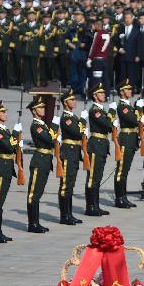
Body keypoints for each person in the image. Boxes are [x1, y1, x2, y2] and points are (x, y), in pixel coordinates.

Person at [0, 100, 21, 243]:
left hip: (7, 168)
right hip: (1, 168)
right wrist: (15, 133)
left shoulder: (4, 130)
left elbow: (12, 147)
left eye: (5, 112)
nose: (5, 114)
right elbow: (8, 147)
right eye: (2, 112)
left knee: (0, 202)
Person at [110, 79, 144, 208]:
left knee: (125, 170)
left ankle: (123, 197)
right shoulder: (122, 107)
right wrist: (139, 107)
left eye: (130, 89)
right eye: (128, 89)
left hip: (132, 138)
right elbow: (135, 120)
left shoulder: (129, 106)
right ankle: (119, 198)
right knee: (121, 171)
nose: (131, 91)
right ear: (122, 92)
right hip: (126, 138)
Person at [25, 95, 55, 233]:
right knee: (34, 194)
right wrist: (54, 125)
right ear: (34, 111)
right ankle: (33, 224)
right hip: (39, 161)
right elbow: (50, 140)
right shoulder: (36, 126)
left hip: (45, 160)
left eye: (43, 107)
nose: (43, 109)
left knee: (38, 193)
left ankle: (36, 222)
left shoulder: (42, 125)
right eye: (40, 108)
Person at [84, 82, 113, 217]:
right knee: (92, 178)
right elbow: (107, 124)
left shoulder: (101, 110)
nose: (104, 95)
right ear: (95, 96)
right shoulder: (95, 111)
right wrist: (112, 113)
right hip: (95, 145)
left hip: (101, 145)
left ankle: (96, 205)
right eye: (101, 93)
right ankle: (90, 207)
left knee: (98, 177)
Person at [57, 88, 85, 226]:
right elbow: (78, 132)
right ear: (65, 102)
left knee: (70, 185)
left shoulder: (73, 117)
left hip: (74, 153)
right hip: (68, 152)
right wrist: (84, 123)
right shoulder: (67, 118)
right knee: (65, 186)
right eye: (72, 100)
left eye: (74, 99)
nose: (74, 102)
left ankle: (69, 214)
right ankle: (64, 215)